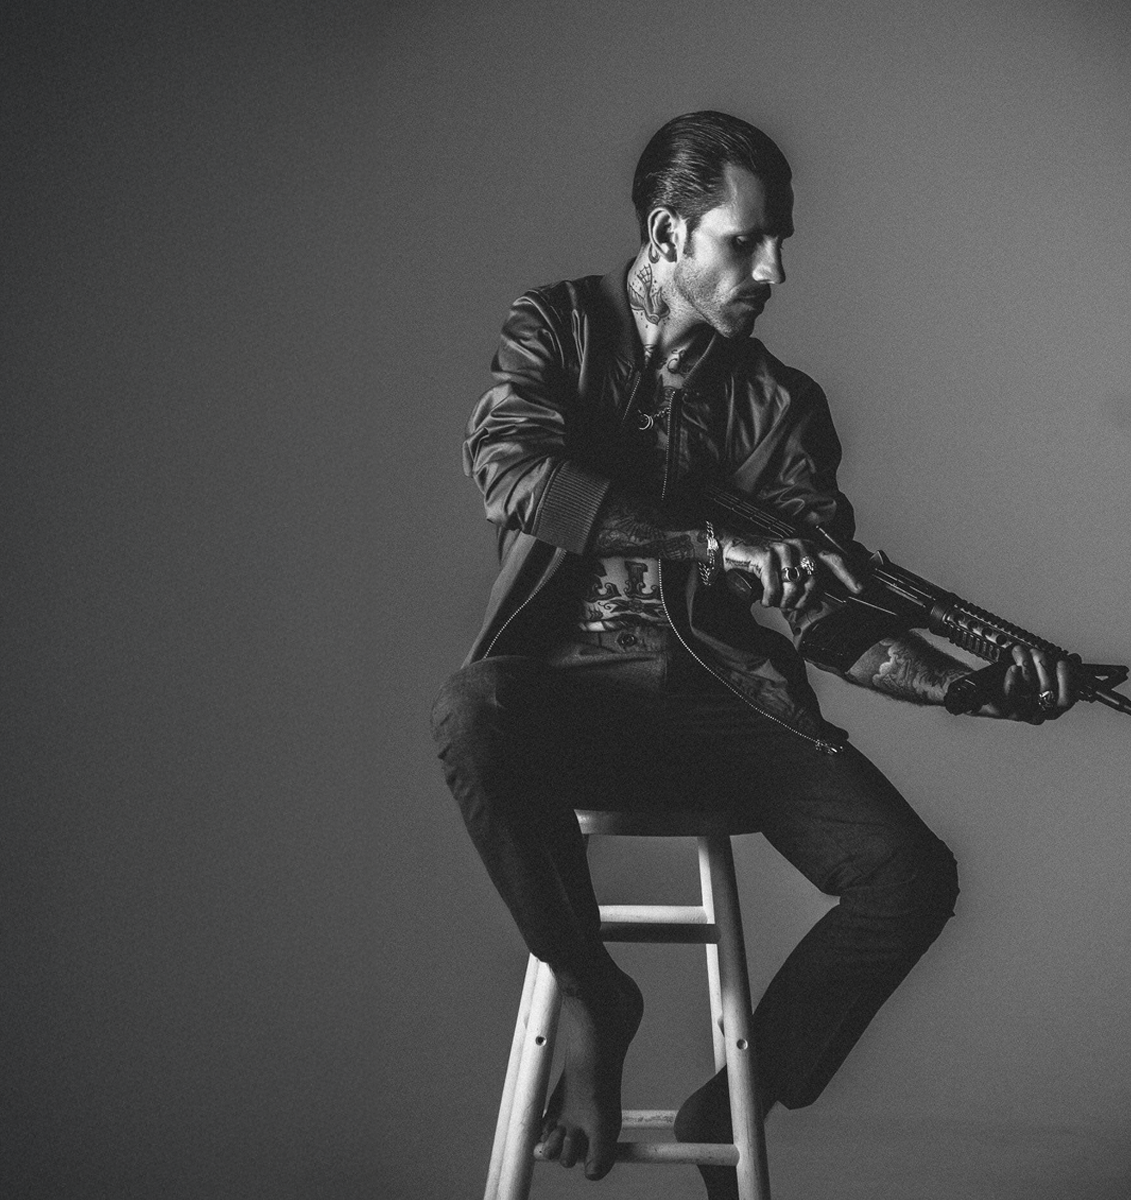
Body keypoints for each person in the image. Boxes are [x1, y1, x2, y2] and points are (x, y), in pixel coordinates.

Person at [430, 111, 1075, 1197]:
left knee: (910, 878)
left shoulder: (781, 405)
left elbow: (832, 616)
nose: (773, 270)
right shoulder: (561, 329)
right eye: (746, 241)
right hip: (564, 704)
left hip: (720, 710)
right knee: (469, 708)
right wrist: (710, 541)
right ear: (666, 232)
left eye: (779, 242)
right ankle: (592, 991)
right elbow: (514, 470)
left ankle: (739, 1089)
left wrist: (968, 684)